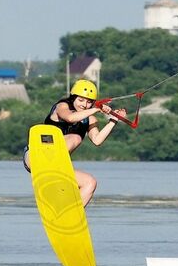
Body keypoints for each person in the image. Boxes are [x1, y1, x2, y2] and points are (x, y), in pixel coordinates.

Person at [23, 79, 125, 208]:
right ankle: (50, 164)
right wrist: (96, 109)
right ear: (73, 98)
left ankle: (70, 211)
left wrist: (113, 120)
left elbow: (97, 140)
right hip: (35, 156)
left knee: (90, 182)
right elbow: (71, 118)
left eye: (89, 102)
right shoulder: (62, 106)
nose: (84, 105)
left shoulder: (90, 119)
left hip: (57, 168)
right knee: (75, 138)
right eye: (81, 100)